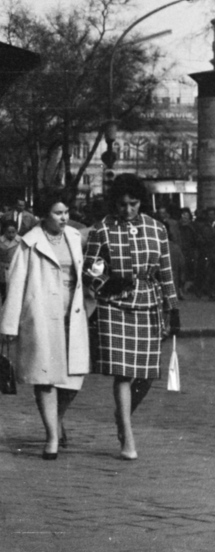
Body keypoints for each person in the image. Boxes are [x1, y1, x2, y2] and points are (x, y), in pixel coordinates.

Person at [84, 173, 180, 461]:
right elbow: (89, 270)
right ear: (114, 203)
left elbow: (166, 272)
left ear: (142, 201)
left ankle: (122, 415)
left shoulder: (157, 228)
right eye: (122, 204)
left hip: (149, 303)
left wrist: (172, 308)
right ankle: (127, 433)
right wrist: (105, 281)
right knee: (123, 373)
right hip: (114, 306)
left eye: (133, 203)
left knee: (147, 373)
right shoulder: (101, 229)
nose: (128, 210)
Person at [0, 193, 89, 460]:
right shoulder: (29, 243)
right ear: (43, 215)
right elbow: (16, 284)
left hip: (72, 314)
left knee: (74, 379)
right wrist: (10, 325)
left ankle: (56, 419)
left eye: (66, 212)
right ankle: (51, 437)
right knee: (45, 376)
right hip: (40, 315)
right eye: (58, 213)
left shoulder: (74, 237)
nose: (64, 218)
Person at [0, 220, 21, 301]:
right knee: (4, 293)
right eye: (9, 232)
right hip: (2, 269)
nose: (11, 234)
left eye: (13, 232)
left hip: (16, 269)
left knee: (15, 293)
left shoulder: (21, 241)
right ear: (4, 231)